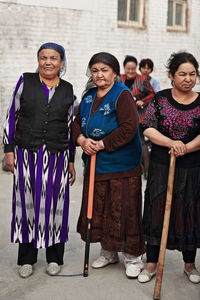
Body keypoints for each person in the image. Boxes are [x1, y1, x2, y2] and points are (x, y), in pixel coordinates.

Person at [3, 42, 76, 278]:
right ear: (38, 60)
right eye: (43, 57)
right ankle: (27, 259)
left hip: (57, 156)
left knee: (56, 205)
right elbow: (11, 116)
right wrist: (9, 149)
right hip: (26, 154)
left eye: (53, 58)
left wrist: (72, 160)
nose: (48, 62)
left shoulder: (68, 89)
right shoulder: (26, 81)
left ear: (61, 62)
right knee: (27, 206)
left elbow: (70, 128)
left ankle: (54, 258)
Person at [72, 52, 145, 278]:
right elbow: (74, 124)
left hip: (122, 165)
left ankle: (133, 257)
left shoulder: (122, 95)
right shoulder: (88, 96)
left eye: (104, 70)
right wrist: (82, 140)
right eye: (95, 70)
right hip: (95, 164)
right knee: (101, 208)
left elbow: (129, 127)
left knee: (124, 209)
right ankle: (108, 251)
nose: (99, 75)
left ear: (114, 72)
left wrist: (102, 144)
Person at [138, 51, 200, 284]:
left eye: (192, 74)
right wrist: (171, 143)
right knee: (156, 209)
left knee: (190, 210)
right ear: (172, 76)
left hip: (193, 167)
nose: (188, 78)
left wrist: (186, 147)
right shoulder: (160, 99)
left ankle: (190, 264)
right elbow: (148, 128)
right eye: (182, 74)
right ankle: (152, 263)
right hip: (162, 165)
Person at [120, 55, 155, 179]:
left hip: (139, 115)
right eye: (128, 68)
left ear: (136, 68)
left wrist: (143, 101)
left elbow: (152, 93)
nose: (130, 71)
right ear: (124, 68)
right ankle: (127, 169)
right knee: (124, 142)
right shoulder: (119, 78)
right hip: (123, 116)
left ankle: (146, 171)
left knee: (141, 142)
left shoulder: (142, 79)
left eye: (133, 69)